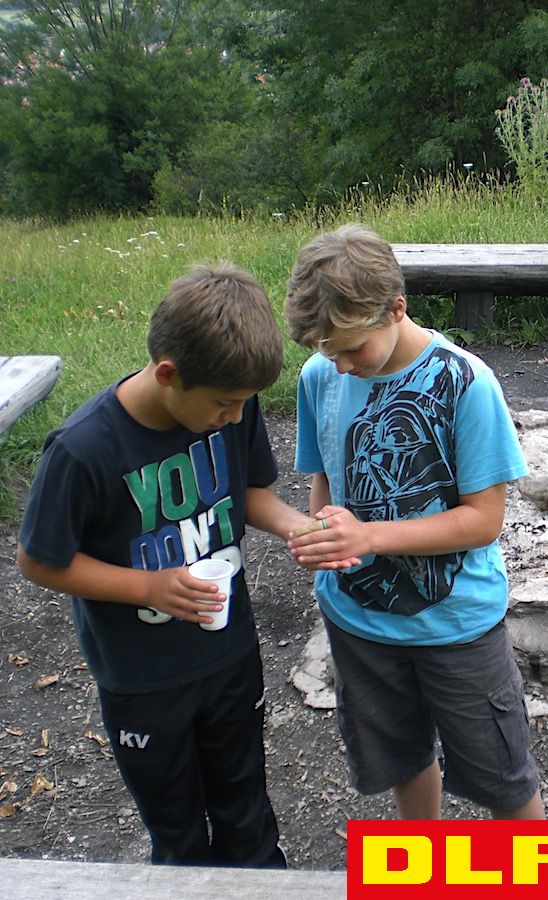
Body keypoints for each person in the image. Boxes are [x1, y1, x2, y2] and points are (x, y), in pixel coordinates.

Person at [16, 263, 326, 866]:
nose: (235, 417)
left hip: (229, 653)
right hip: (143, 678)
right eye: (225, 404)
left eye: (244, 404)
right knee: (177, 832)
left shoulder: (231, 405)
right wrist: (146, 587)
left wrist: (299, 526)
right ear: (168, 374)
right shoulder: (83, 449)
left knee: (246, 811)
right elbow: (39, 560)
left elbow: (248, 491)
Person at [282, 223, 544, 820]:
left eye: (353, 349)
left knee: (503, 777)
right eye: (326, 351)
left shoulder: (466, 382)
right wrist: (323, 535)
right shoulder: (320, 375)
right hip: (358, 620)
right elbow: (328, 477)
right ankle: (427, 862)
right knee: (401, 759)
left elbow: (483, 521)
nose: (341, 365)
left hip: (456, 626)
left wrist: (369, 535)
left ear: (396, 309)